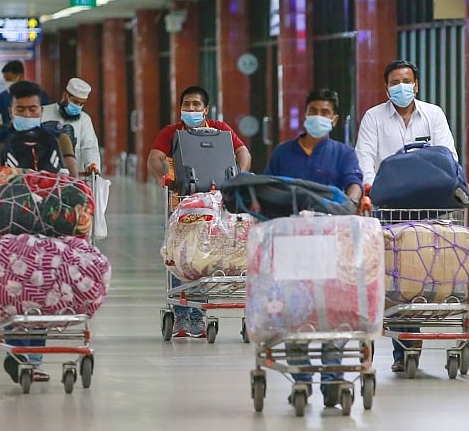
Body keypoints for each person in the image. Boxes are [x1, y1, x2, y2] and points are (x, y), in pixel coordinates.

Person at [354, 59, 459, 373]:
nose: (401, 87)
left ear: (417, 84)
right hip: (389, 205)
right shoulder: (374, 117)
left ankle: (413, 338)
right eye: (394, 82)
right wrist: (369, 189)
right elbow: (365, 157)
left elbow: (448, 155)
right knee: (394, 274)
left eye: (407, 81)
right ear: (387, 87)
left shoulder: (433, 115)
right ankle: (404, 345)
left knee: (421, 270)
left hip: (428, 202)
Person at [263, 88, 363, 408]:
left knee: (332, 311)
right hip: (292, 245)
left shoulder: (343, 153)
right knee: (297, 310)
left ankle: (333, 377)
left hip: (330, 244)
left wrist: (353, 201)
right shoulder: (283, 153)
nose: (317, 117)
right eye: (313, 110)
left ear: (334, 119)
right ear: (304, 115)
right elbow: (268, 189)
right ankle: (301, 378)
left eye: (324, 112)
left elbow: (354, 183)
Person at [0, 80, 77, 383]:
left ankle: (30, 358)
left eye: (32, 108)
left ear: (41, 109)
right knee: (15, 288)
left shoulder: (59, 139)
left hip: (51, 225)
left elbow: (74, 182)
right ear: (10, 111)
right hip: (10, 226)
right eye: (20, 109)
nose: (27, 113)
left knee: (43, 288)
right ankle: (18, 352)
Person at [147, 85, 252, 337]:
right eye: (186, 105)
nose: (191, 109)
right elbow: (154, 158)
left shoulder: (221, 130)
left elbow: (243, 152)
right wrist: (163, 179)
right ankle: (183, 315)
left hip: (215, 206)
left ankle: (199, 315)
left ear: (205, 109)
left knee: (205, 255)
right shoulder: (172, 133)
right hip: (182, 204)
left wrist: (240, 175)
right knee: (182, 254)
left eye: (196, 105)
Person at [41, 77, 101, 173]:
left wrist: (91, 164)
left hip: (73, 177)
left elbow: (89, 147)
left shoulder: (84, 120)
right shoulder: (43, 113)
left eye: (82, 104)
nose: (78, 107)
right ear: (65, 96)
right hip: (43, 175)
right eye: (75, 102)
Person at [0, 60, 49, 124]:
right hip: (11, 135)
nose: (7, 83)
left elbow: (48, 116)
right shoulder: (4, 96)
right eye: (5, 80)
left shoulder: (38, 93)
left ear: (20, 76)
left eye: (9, 79)